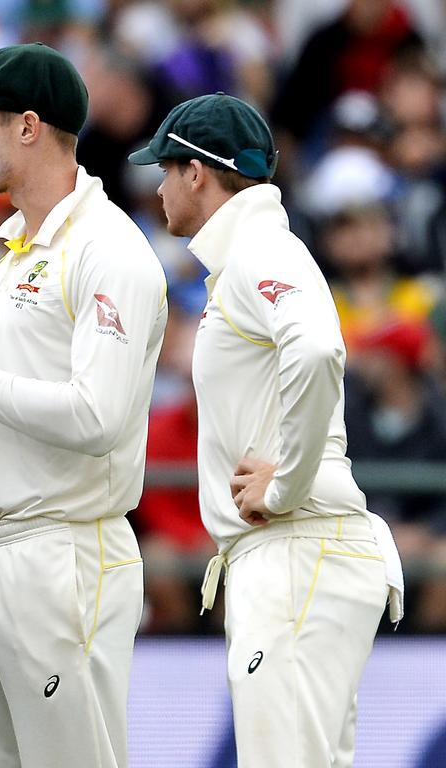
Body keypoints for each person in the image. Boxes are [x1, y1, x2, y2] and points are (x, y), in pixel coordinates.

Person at [128, 92, 404, 768]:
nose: (158, 186)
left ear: (198, 172)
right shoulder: (250, 257)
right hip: (298, 553)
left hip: (296, 545)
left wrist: (285, 486)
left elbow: (317, 350)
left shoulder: (259, 251)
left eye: (165, 169)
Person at [0, 43, 168, 767]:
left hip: (67, 558)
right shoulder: (17, 252)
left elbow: (97, 420)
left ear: (28, 127)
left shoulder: (108, 249)